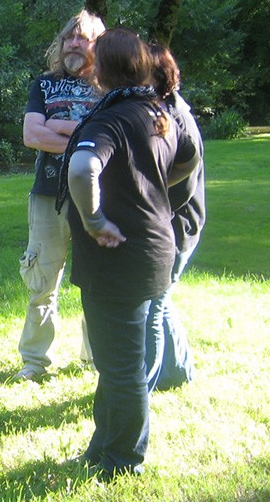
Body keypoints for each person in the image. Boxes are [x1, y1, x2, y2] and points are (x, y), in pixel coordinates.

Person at [57, 28, 199, 478]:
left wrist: (96, 220)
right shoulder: (158, 111)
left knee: (122, 368)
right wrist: (155, 193)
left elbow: (82, 168)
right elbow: (191, 158)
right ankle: (104, 445)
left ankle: (123, 462)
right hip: (154, 248)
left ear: (102, 69)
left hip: (118, 257)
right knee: (118, 363)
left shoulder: (111, 119)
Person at [15, 9, 105, 381]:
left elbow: (110, 139)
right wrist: (82, 138)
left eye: (81, 38)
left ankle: (96, 358)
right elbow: (32, 135)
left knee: (99, 281)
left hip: (97, 197)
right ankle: (34, 363)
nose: (73, 44)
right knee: (42, 282)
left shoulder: (109, 88)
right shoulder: (43, 85)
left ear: (96, 46)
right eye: (68, 37)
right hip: (47, 196)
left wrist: (59, 125)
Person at [145, 43, 205, 392]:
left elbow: (183, 174)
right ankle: (179, 371)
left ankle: (144, 387)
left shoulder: (173, 117)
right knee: (162, 298)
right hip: (177, 222)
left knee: (154, 301)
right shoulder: (166, 108)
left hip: (178, 225)